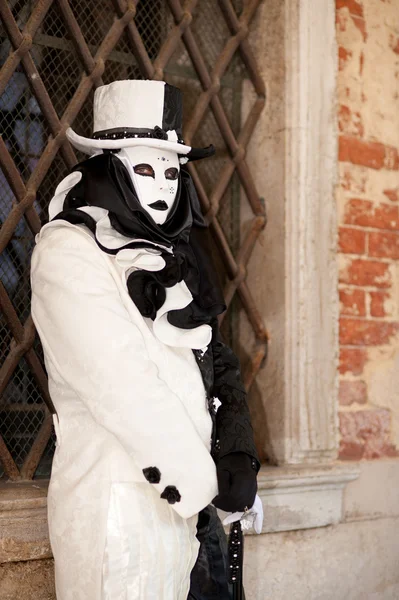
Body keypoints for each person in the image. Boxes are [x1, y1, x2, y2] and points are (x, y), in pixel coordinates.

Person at [30, 79, 262, 600]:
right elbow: (121, 384)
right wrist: (210, 487)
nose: (162, 185)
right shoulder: (69, 251)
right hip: (120, 514)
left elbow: (211, 364)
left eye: (172, 171)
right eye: (144, 168)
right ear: (109, 168)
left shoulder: (174, 260)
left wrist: (238, 457)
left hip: (190, 520)